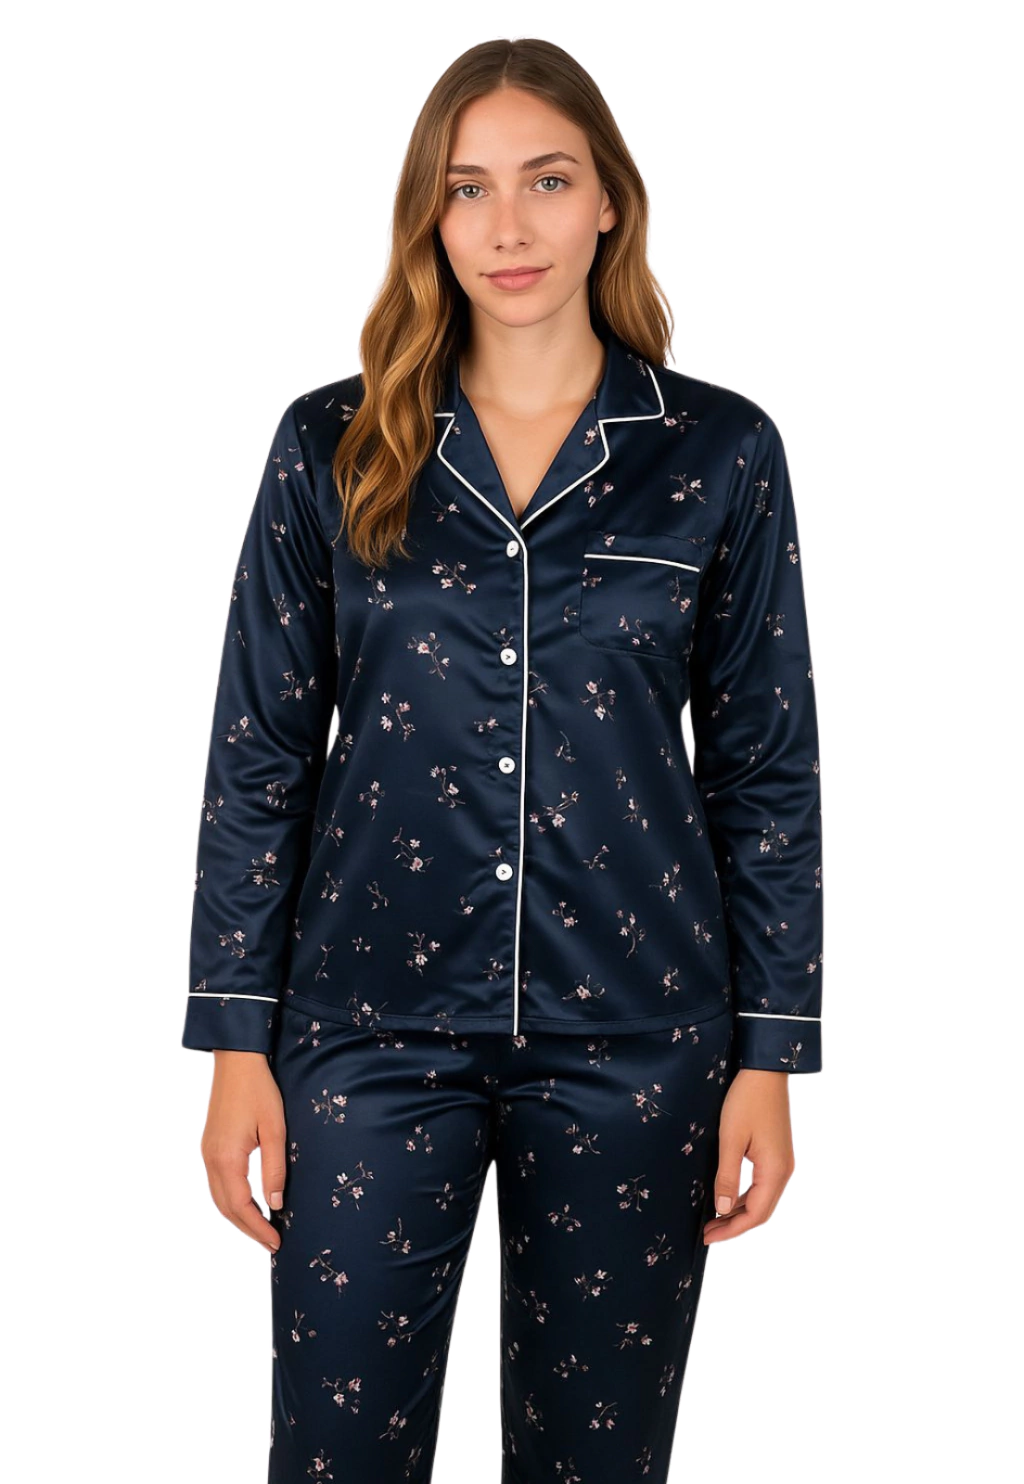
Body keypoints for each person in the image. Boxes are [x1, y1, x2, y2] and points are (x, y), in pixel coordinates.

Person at [183, 37, 824, 1484]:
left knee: (596, 1463)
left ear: (609, 203)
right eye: (468, 189)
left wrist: (770, 1057)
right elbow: (260, 753)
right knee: (336, 1452)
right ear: (430, 214)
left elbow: (765, 770)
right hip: (366, 1029)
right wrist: (235, 1045)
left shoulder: (719, 452)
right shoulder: (333, 443)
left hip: (639, 1035)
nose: (509, 225)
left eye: (547, 180)